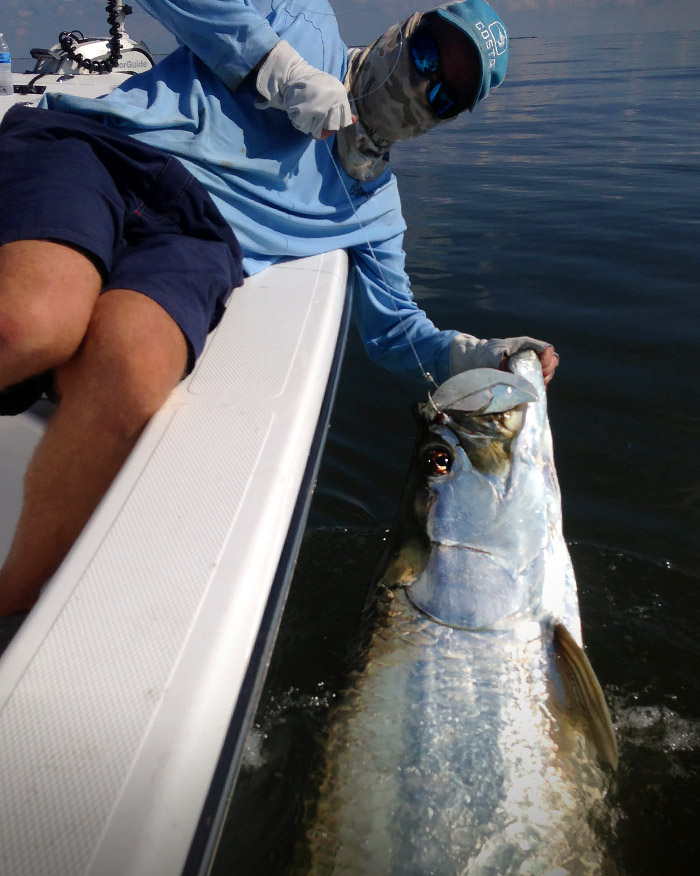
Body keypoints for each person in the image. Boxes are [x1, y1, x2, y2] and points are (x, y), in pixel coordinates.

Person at [0, 0, 558, 615]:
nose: (421, 85)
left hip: (196, 234)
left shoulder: (373, 208)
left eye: (444, 94)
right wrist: (276, 69)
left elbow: (394, 332)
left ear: (446, 119)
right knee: (33, 323)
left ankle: (9, 604)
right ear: (405, 28)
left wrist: (483, 355)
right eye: (426, 55)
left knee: (132, 374)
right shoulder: (303, 21)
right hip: (103, 153)